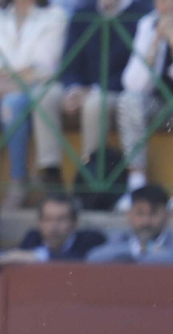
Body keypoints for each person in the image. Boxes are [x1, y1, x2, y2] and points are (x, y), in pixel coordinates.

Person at [35, 0, 149, 193]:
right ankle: (50, 172)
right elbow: (69, 59)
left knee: (95, 104)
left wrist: (95, 89)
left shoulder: (140, 14)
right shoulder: (84, 13)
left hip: (116, 90)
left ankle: (90, 174)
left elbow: (133, 72)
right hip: (81, 87)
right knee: (45, 96)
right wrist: (73, 88)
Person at [0, 0, 66, 210]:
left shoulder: (55, 16)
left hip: (30, 91)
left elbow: (45, 67)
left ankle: (18, 184)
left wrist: (5, 82)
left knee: (11, 104)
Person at [116, 0, 173, 210]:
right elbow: (132, 84)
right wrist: (155, 44)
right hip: (160, 106)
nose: (164, 5)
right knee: (128, 101)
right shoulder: (147, 24)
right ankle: (136, 187)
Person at [0, 191, 106, 260]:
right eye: (48, 220)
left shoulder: (91, 239)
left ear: (75, 223)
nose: (53, 227)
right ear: (39, 222)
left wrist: (39, 257)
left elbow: (80, 259)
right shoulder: (33, 238)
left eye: (61, 219)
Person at [86, 181, 173, 260]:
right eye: (140, 213)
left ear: (167, 215)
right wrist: (136, 250)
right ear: (129, 215)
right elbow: (94, 257)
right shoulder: (120, 238)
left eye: (153, 213)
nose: (146, 221)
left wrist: (150, 251)